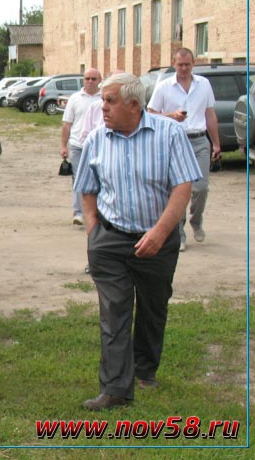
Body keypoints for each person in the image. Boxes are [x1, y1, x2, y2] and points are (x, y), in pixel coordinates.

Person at [74, 73, 201, 411]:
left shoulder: (169, 134)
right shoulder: (96, 140)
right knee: (113, 312)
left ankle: (145, 368)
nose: (103, 107)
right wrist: (93, 231)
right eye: (102, 100)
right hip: (110, 240)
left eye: (110, 101)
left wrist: (160, 232)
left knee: (152, 306)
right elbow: (86, 189)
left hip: (157, 239)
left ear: (134, 104)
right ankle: (115, 388)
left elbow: (183, 187)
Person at [147, 48, 220, 252]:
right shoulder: (164, 87)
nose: (184, 68)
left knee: (200, 187)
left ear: (193, 63)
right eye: (180, 64)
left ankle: (196, 220)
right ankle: (179, 233)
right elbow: (151, 114)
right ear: (174, 64)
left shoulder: (203, 84)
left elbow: (210, 114)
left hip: (200, 140)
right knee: (178, 189)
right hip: (176, 141)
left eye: (187, 64)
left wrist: (216, 143)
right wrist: (172, 116)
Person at [60, 68, 102, 226]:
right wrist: (63, 146)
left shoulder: (103, 98)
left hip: (98, 145)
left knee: (99, 177)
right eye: (87, 78)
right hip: (78, 145)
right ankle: (78, 213)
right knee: (78, 178)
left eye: (93, 79)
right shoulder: (75, 98)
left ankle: (96, 211)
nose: (90, 82)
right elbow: (67, 124)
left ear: (99, 81)